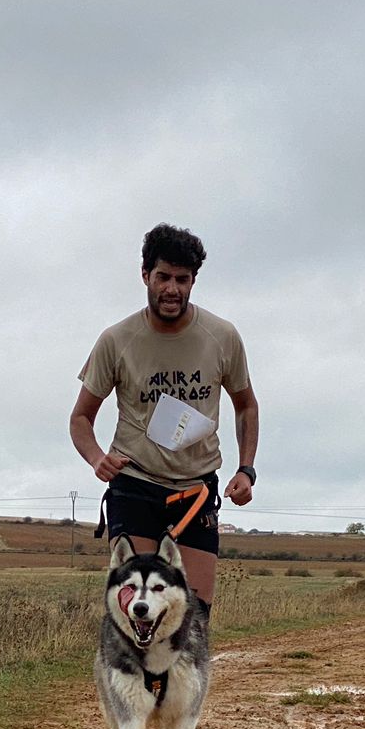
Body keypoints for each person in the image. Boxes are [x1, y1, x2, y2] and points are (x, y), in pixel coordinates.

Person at [70, 222, 259, 615]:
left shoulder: (222, 336)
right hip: (136, 485)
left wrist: (246, 470)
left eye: (182, 279)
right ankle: (133, 680)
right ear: (145, 276)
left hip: (196, 491)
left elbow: (246, 405)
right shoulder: (116, 340)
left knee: (192, 615)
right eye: (163, 277)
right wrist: (96, 458)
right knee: (134, 611)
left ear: (193, 281)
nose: (172, 288)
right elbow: (81, 418)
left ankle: (179, 679)